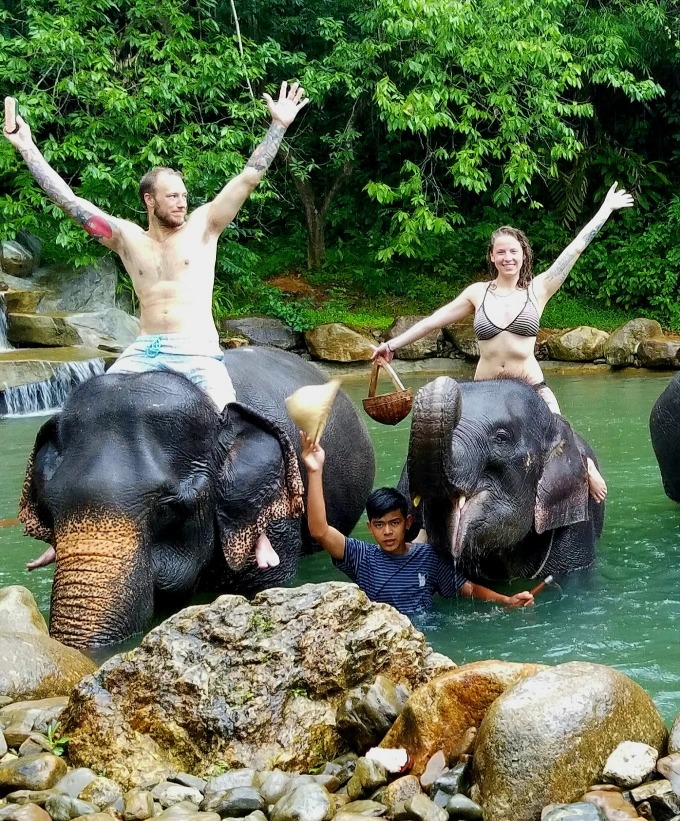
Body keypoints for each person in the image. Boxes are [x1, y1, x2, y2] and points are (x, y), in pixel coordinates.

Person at [6, 82, 310, 571]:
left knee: (234, 431)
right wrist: (27, 147)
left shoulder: (206, 226)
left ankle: (254, 533)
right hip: (144, 350)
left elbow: (249, 177)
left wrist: (278, 125)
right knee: (81, 421)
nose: (182, 203)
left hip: (197, 350)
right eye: (172, 196)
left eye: (184, 195)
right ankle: (66, 533)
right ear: (149, 200)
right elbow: (68, 200)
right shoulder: (126, 238)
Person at [372, 184, 634, 502]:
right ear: (492, 257)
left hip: (531, 388)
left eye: (514, 251)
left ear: (524, 255)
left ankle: (586, 466)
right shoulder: (477, 293)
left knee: (560, 431)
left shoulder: (538, 290)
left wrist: (605, 209)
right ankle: (420, 512)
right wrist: (393, 344)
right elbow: (433, 320)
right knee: (438, 444)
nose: (508, 257)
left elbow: (575, 248)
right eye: (501, 252)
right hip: (482, 392)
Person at [302, 436, 534, 615]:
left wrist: (507, 600)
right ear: (370, 527)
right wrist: (314, 470)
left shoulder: (428, 557)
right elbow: (319, 530)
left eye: (394, 523)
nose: (387, 531)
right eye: (379, 525)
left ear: (407, 523)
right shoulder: (361, 557)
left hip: (424, 637)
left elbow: (469, 589)